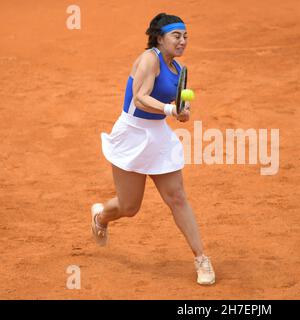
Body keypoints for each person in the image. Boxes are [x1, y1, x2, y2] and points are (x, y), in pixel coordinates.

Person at [90, 13, 215, 285]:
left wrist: (183, 111)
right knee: (129, 207)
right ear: (160, 38)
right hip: (132, 134)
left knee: (177, 197)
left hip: (158, 136)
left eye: (185, 36)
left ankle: (201, 259)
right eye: (176, 36)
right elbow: (140, 97)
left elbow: (179, 102)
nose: (182, 41)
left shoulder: (179, 70)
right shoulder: (149, 59)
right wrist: (171, 109)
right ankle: (101, 216)